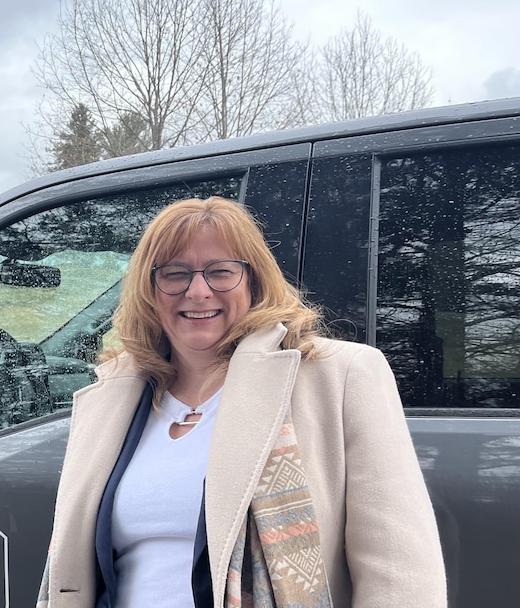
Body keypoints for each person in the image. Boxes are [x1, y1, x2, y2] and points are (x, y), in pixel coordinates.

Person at [37, 197, 445, 608]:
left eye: (221, 272)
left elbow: (401, 577)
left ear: (254, 281)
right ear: (149, 288)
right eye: (175, 274)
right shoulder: (111, 395)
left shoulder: (339, 376)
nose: (198, 291)